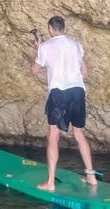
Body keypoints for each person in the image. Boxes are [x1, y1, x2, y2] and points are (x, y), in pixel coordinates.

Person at [30, 16, 98, 191]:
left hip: (59, 93)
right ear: (63, 28)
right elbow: (85, 72)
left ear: (50, 28)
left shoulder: (45, 47)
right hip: (78, 91)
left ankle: (50, 182)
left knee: (53, 135)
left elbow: (34, 70)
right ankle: (91, 177)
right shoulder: (76, 45)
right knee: (79, 133)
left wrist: (38, 49)